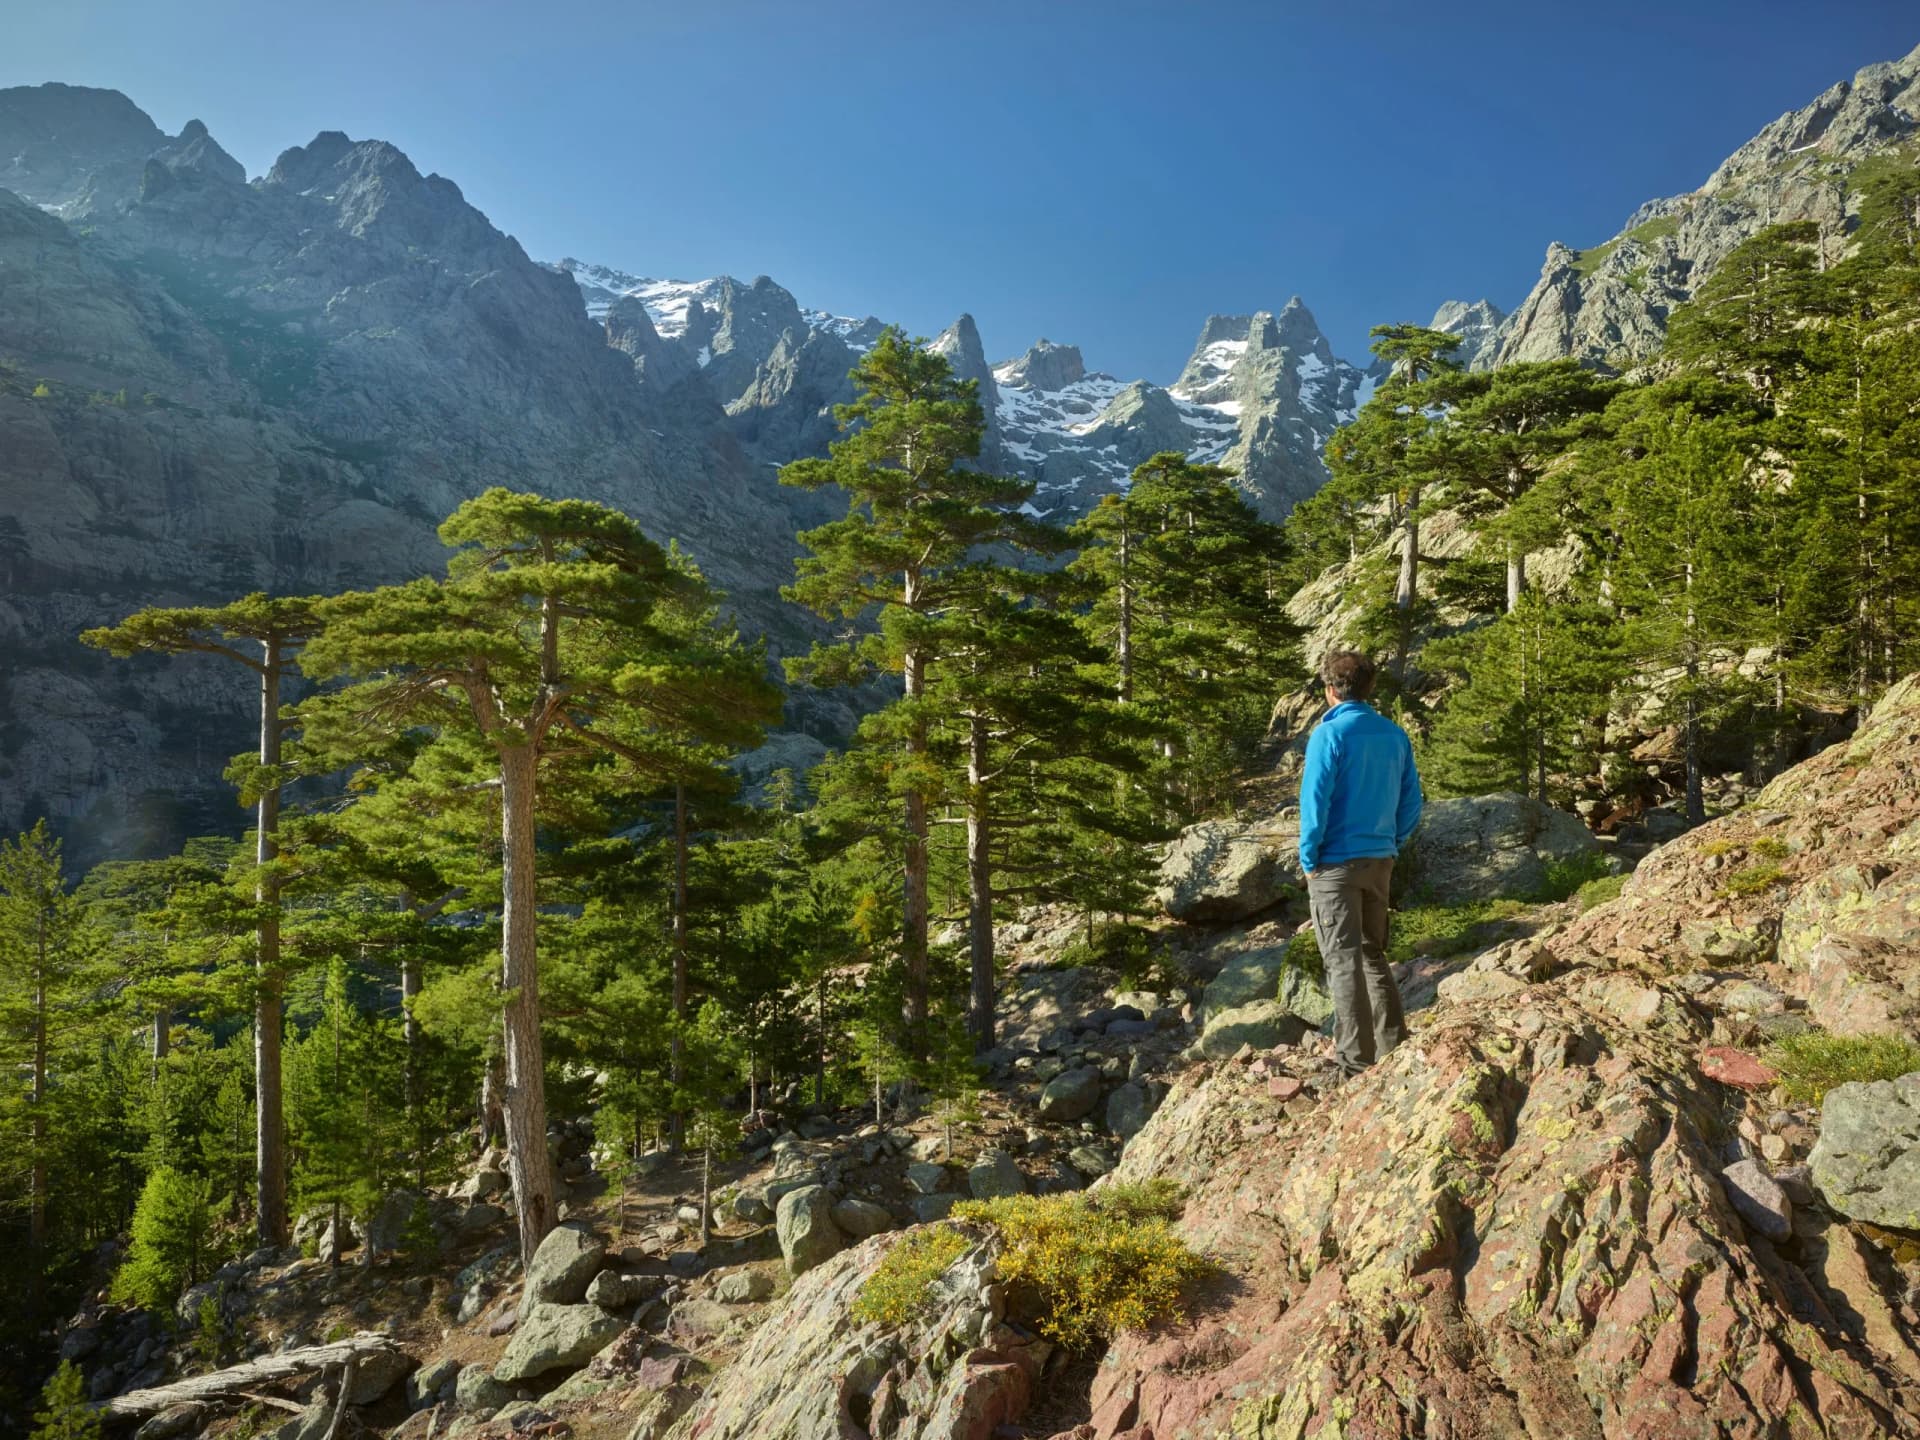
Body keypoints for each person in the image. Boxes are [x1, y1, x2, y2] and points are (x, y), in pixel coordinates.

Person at [1297, 650, 1423, 1078]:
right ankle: (1394, 1048)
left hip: (1334, 865)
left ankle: (1353, 1064)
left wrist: (1308, 857)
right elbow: (1412, 804)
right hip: (1380, 859)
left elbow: (1314, 803)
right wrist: (1393, 841)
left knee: (1342, 961)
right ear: (1369, 689)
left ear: (1330, 690)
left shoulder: (1327, 735)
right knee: (1372, 955)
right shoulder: (1393, 735)